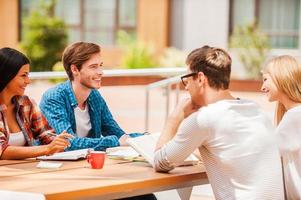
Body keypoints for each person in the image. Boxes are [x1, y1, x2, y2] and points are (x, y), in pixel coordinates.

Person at [154, 45, 284, 199]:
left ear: (201, 78)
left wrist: (174, 118)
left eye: (187, 79)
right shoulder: (256, 111)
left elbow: (160, 162)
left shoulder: (204, 119)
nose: (186, 87)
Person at [0, 47, 72, 160]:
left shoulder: (26, 103)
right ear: (6, 75)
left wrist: (58, 142)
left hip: (25, 169)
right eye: (23, 75)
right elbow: (2, 150)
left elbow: (45, 134)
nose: (28, 81)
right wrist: (47, 149)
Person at [261, 55, 301, 200]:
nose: (262, 87)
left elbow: (263, 155)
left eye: (265, 79)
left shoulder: (294, 116)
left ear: (281, 77)